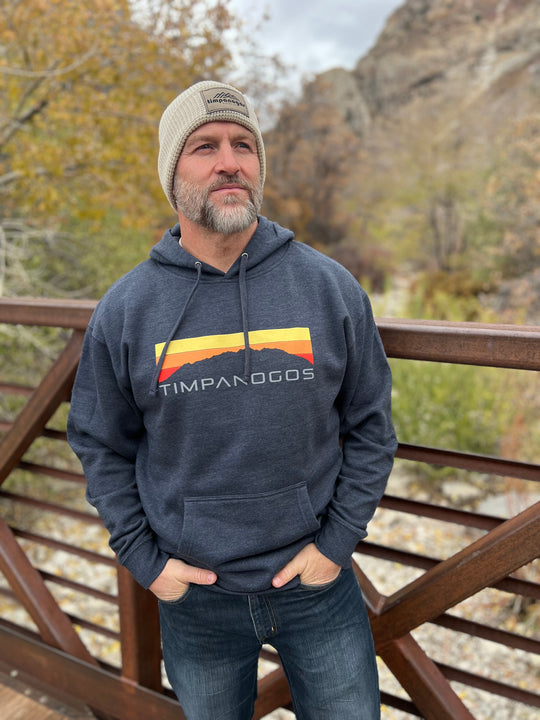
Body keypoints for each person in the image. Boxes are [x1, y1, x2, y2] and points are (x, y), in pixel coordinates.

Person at [67, 80, 397, 720]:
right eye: (205, 147)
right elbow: (99, 443)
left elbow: (372, 428)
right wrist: (145, 561)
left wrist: (336, 546)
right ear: (172, 173)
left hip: (316, 586)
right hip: (196, 597)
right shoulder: (127, 308)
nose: (229, 162)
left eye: (244, 145)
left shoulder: (329, 288)